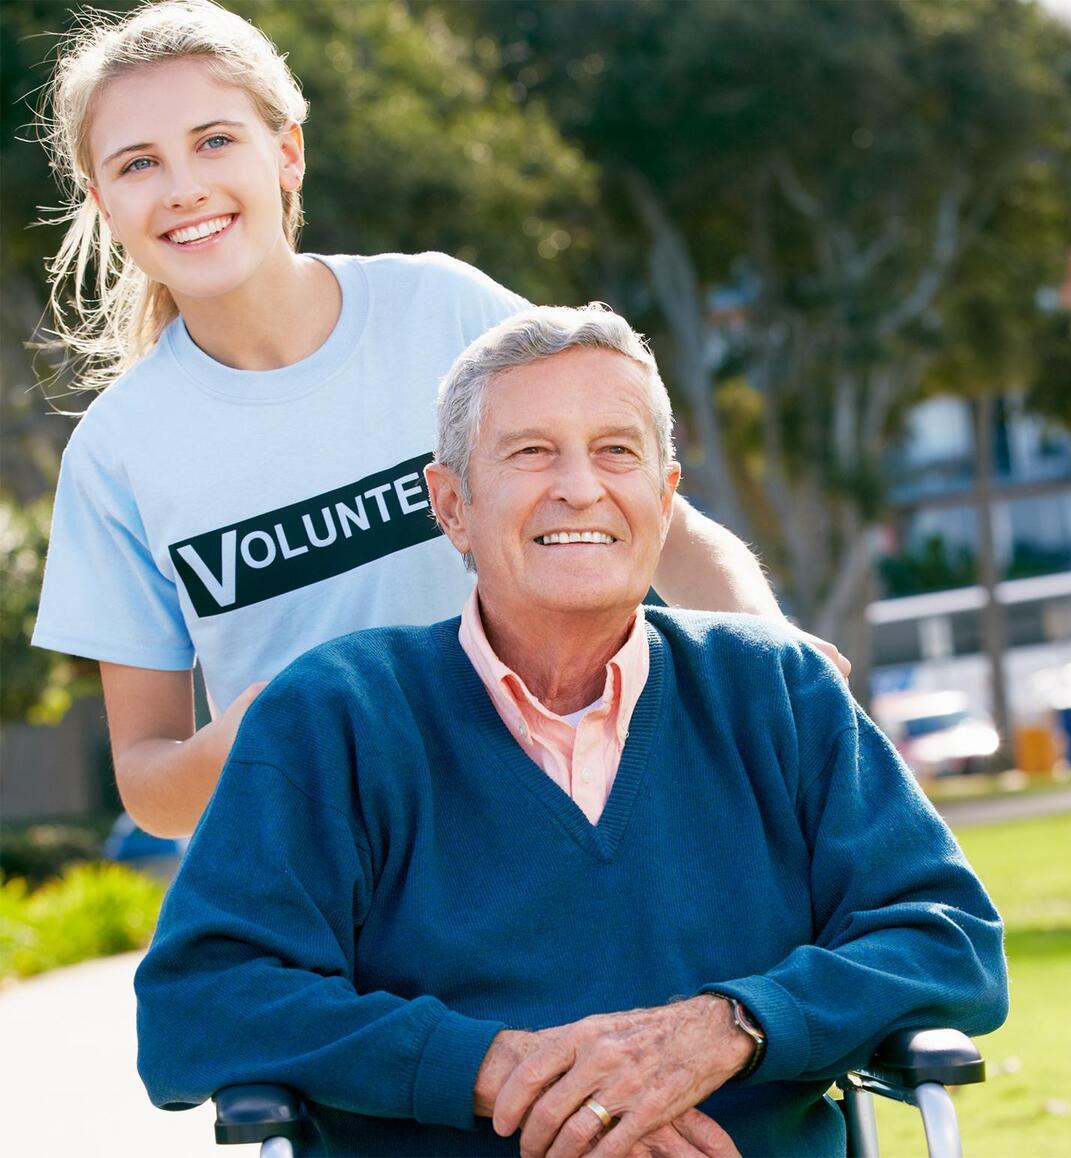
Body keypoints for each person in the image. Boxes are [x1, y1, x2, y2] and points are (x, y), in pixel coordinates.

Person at [135, 305, 1008, 1158]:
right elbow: (202, 1000)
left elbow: (947, 940)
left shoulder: (778, 688)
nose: (580, 487)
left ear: (664, 499)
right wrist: (500, 1071)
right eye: (530, 453)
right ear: (452, 506)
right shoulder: (334, 714)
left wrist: (723, 1030)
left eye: (616, 451)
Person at [30, 0, 849, 841]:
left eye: (214, 141)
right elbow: (152, 786)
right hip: (341, 902)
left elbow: (659, 526)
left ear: (287, 152)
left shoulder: (441, 310)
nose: (184, 188)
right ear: (101, 200)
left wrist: (776, 653)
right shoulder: (115, 456)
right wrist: (272, 730)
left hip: (565, 832)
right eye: (138, 164)